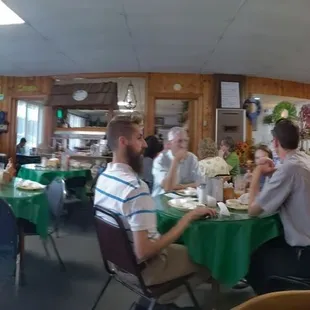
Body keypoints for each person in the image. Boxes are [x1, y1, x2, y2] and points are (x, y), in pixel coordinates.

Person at [94, 116, 215, 309]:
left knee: (186, 249)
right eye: (139, 137)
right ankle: (160, 301)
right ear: (123, 142)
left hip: (116, 262)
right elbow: (144, 252)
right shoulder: (135, 188)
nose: (144, 144)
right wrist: (186, 219)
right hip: (145, 269)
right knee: (209, 258)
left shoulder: (104, 178)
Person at [246, 119, 310, 295]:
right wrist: (275, 172)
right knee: (268, 242)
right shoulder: (304, 159)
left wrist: (257, 173)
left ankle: (270, 301)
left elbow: (253, 210)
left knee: (251, 255)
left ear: (275, 143)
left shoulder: (288, 169)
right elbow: (293, 176)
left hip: (304, 254)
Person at [152, 127, 200, 196]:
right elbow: (167, 188)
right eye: (179, 141)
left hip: (184, 200)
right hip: (161, 200)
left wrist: (177, 187)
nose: (183, 145)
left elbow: (199, 183)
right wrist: (176, 160)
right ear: (169, 144)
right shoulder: (160, 160)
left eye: (186, 141)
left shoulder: (192, 158)